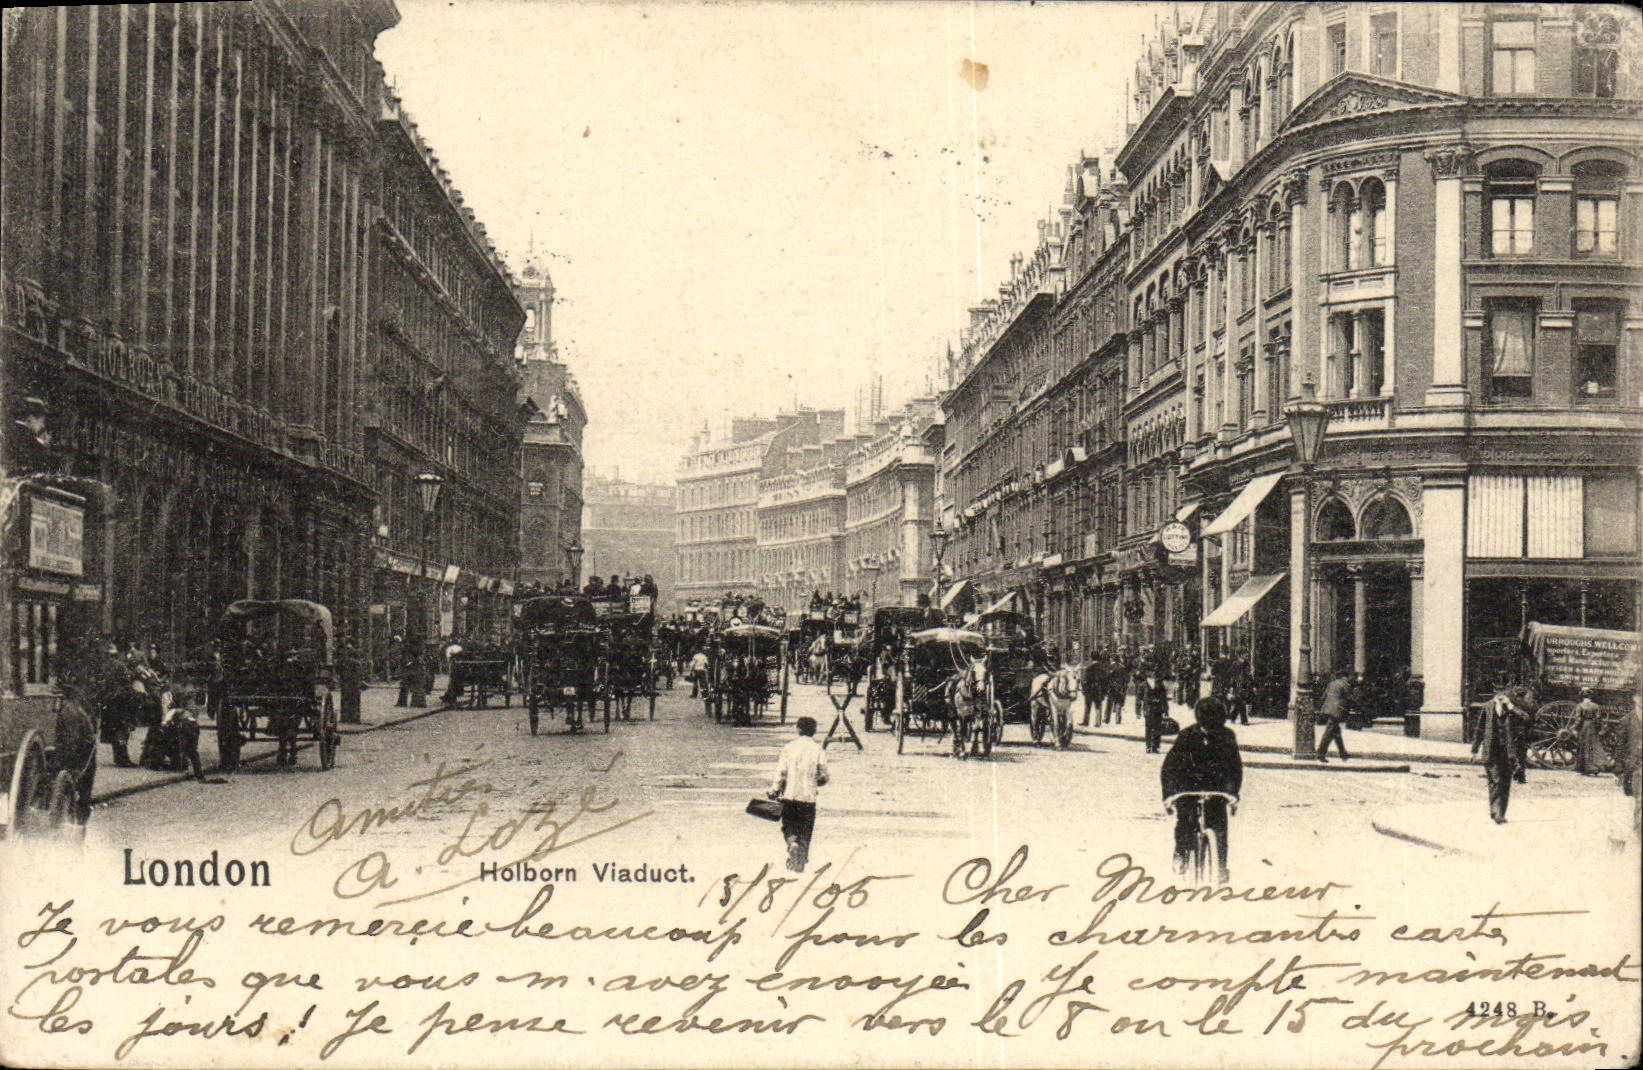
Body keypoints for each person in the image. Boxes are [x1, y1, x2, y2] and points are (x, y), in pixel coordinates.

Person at [1161, 696, 1243, 884]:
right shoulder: (1187, 736)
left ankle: (1221, 866)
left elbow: (1234, 767)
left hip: (1216, 789)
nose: (1211, 730)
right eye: (1208, 726)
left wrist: (1233, 794)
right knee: (1185, 819)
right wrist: (1169, 795)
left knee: (1220, 828)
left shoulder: (1227, 736)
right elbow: (1170, 767)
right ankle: (1181, 852)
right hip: (1189, 787)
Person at [768, 716, 829, 873]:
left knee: (788, 825)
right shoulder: (818, 750)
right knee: (806, 828)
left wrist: (774, 790)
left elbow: (781, 772)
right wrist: (816, 781)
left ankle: (792, 843)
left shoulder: (789, 747)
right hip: (808, 798)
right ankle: (801, 856)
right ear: (814, 731)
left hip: (790, 796)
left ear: (798, 729)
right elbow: (823, 776)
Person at [1473, 686, 1534, 824]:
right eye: (1498, 693)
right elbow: (1479, 729)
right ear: (1495, 694)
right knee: (1495, 781)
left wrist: (1511, 707)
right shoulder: (1487, 707)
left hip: (1508, 752)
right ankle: (1496, 812)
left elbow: (1526, 718)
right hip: (1491, 750)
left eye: (1503, 693)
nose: (1501, 695)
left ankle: (1500, 811)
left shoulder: (1511, 708)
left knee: (1506, 782)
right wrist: (1474, 750)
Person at [1316, 671, 1351, 762]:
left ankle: (1343, 753)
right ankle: (1320, 752)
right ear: (1345, 676)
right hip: (1337, 711)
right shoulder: (1345, 685)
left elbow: (1324, 696)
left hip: (1327, 709)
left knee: (1336, 732)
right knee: (1329, 732)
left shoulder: (1332, 683)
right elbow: (1349, 698)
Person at [1575, 689, 1605, 776]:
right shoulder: (1596, 706)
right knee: (1593, 746)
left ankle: (1584, 769)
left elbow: (1578, 719)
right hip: (1592, 727)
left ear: (1582, 696)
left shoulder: (1580, 706)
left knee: (1584, 746)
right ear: (1590, 696)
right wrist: (1598, 727)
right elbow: (1598, 718)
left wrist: (1573, 728)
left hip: (1584, 726)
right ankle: (1595, 768)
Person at [1141, 674, 1170, 754]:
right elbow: (1139, 698)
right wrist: (1138, 710)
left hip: (1158, 709)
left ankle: (1155, 746)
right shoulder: (1143, 684)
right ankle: (1148, 746)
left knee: (1157, 728)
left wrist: (1166, 710)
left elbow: (1164, 698)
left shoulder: (1160, 685)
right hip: (1148, 709)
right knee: (1148, 728)